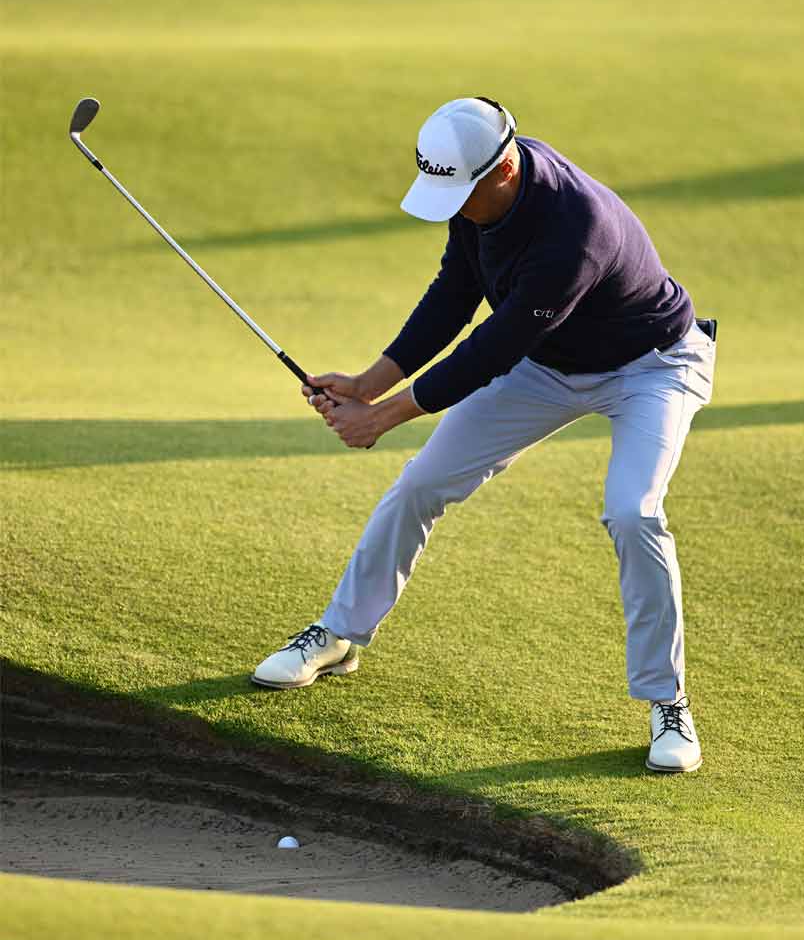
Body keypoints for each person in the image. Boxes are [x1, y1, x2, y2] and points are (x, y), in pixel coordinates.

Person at [250, 97, 716, 775]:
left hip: (652, 365)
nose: (453, 208)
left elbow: (494, 347)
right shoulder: (481, 201)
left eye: (459, 193)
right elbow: (454, 293)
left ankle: (667, 703)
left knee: (633, 510)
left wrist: (380, 419)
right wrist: (369, 381)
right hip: (551, 365)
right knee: (421, 484)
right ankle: (340, 636)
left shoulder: (574, 229)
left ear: (500, 168)